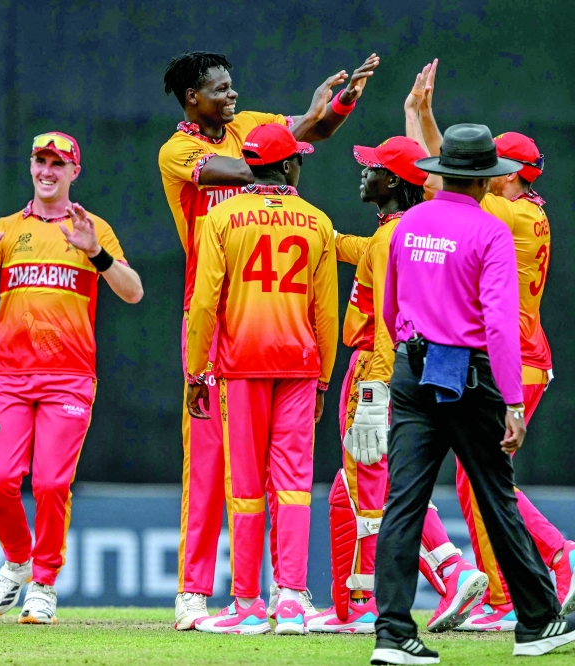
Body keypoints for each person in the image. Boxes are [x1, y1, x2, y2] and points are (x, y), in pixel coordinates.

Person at [159, 49, 378, 629]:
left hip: (267, 318)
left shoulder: (250, 126)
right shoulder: (179, 149)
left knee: (277, 469)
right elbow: (251, 167)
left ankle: (282, 593)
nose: (232, 97)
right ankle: (193, 590)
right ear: (192, 98)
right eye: (221, 89)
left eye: (233, 87)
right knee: (208, 462)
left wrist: (336, 104)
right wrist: (280, 150)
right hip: (209, 317)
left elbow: (312, 133)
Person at [369, 124, 575, 664]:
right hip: (469, 375)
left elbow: (390, 307)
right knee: (496, 497)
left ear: (442, 173)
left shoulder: (411, 220)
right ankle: (537, 622)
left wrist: (408, 351)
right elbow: (499, 326)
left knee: (403, 503)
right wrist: (512, 401)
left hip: (412, 368)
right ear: (488, 181)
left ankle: (393, 633)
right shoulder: (490, 231)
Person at [407, 61, 575, 631]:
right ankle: (514, 587)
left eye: (497, 168)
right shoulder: (528, 211)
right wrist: (420, 116)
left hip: (511, 359)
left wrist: (421, 117)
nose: (488, 173)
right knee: (479, 476)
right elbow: (451, 173)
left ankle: (546, 562)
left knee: (482, 479)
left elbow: (446, 180)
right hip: (529, 354)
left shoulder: (505, 211)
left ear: (512, 175)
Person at [0, 132, 143, 625]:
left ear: (75, 171)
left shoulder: (91, 228)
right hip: (9, 379)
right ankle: (18, 560)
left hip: (68, 379)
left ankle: (45, 584)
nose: (47, 170)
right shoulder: (8, 230)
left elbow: (134, 292)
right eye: (40, 161)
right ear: (31, 166)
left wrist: (96, 253)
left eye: (58, 163)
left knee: (53, 483)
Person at [306, 137, 488, 634]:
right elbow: (357, 248)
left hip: (375, 367)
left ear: (393, 182)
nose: (362, 173)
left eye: (371, 168)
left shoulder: (394, 237)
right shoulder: (402, 230)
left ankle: (441, 572)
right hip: (400, 366)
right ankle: (353, 601)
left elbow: (389, 320)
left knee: (374, 488)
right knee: (355, 491)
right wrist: (311, 225)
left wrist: (372, 392)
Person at [185, 123, 338, 635]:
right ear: (288, 165)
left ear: (250, 165)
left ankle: (247, 602)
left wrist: (195, 370)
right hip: (299, 365)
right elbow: (326, 314)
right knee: (294, 484)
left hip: (241, 365)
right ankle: (291, 598)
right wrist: (323, 379)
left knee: (245, 484)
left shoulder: (222, 217)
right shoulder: (317, 221)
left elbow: (205, 301)